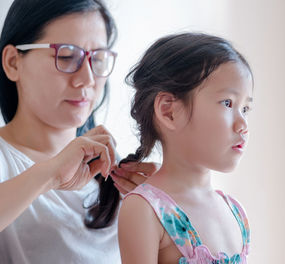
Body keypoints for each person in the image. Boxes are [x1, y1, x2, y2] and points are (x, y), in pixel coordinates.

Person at [0, 0, 156, 263]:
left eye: (97, 59)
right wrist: (50, 174)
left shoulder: (117, 173)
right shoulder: (6, 160)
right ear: (13, 62)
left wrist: (168, 208)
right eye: (66, 56)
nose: (87, 78)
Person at [118, 33, 253, 264]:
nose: (243, 125)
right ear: (169, 111)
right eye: (228, 103)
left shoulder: (235, 211)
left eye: (245, 109)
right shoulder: (144, 210)